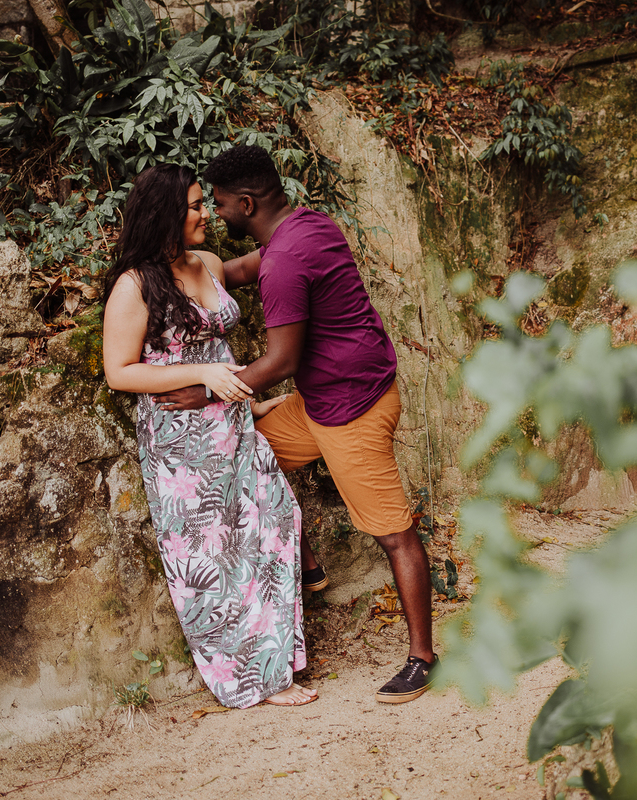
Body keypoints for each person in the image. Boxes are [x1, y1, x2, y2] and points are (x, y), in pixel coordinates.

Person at [152, 145, 437, 704]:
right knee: (248, 451)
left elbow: (279, 362)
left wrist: (206, 385)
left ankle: (423, 658)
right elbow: (230, 273)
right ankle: (308, 564)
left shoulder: (283, 262)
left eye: (220, 204)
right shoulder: (306, 227)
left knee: (393, 533)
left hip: (350, 411)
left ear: (246, 201)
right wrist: (169, 265)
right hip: (328, 399)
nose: (216, 212)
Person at [101, 163, 317, 708]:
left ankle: (274, 661)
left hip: (233, 423)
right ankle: (254, 683)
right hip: (181, 440)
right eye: (196, 205)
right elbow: (120, 371)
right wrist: (200, 375)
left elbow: (267, 262)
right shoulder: (134, 286)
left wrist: (307, 235)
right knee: (212, 559)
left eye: (204, 203)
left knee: (273, 521)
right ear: (166, 214)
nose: (205, 213)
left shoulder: (208, 263)